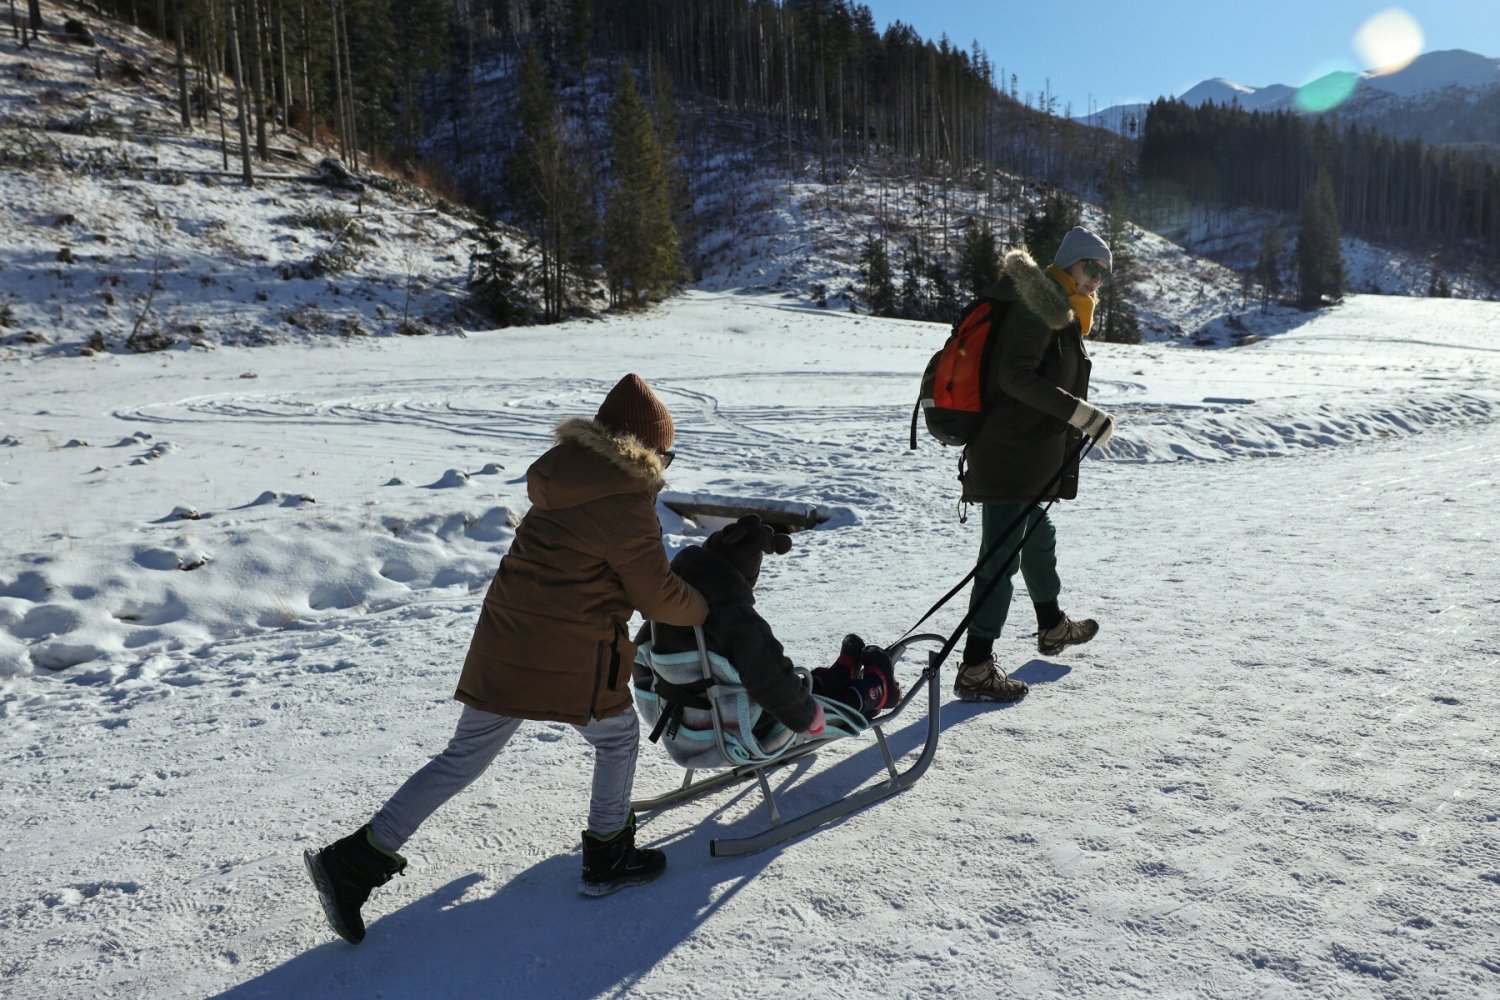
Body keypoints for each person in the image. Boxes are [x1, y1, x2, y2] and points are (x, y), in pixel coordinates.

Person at [304, 373, 709, 945]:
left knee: (462, 756)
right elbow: (657, 596)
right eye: (667, 452)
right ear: (645, 450)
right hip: (566, 652)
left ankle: (353, 860)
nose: (668, 464)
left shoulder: (564, 479)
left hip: (506, 638)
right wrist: (704, 606)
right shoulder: (625, 502)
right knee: (617, 737)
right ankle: (608, 857)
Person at [953, 226, 1117, 704]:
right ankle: (976, 667)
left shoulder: (1062, 311)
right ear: (1069, 265)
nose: (1096, 280)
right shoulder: (1038, 305)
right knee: (999, 560)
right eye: (1091, 268)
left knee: (1037, 536)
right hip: (1008, 455)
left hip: (1025, 454)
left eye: (1104, 274)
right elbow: (1014, 377)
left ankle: (1051, 626)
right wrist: (1081, 414)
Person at [634, 514, 825, 745]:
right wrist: (807, 716)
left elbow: (638, 658)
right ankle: (873, 687)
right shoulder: (738, 621)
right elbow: (769, 678)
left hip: (683, 727)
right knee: (818, 691)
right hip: (741, 730)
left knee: (806, 684)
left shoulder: (670, 607)